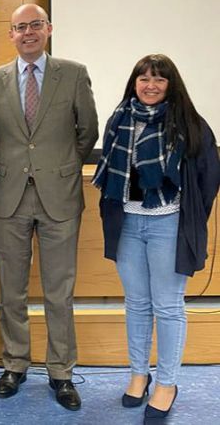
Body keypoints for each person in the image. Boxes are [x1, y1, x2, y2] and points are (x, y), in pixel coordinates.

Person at [0, 3, 98, 411]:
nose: (27, 32)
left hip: (60, 196)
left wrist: (60, 167)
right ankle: (14, 364)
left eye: (35, 25)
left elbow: (88, 131)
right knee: (11, 289)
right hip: (8, 196)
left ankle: (61, 371)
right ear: (9, 35)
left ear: (48, 29)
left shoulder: (74, 73)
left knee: (58, 291)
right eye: (19, 28)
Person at [92, 54, 219, 421]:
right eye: (143, 78)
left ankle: (167, 383)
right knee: (136, 303)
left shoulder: (190, 124)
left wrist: (189, 217)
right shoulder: (119, 119)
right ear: (134, 82)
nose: (150, 85)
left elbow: (208, 178)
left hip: (168, 223)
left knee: (167, 305)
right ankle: (138, 375)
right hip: (128, 223)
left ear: (170, 84)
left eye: (158, 80)